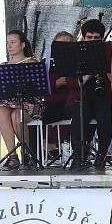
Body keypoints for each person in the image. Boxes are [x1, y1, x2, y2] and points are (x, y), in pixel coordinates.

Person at [0, 30, 42, 171]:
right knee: (1, 110)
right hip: (10, 105)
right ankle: (13, 157)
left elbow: (39, 90)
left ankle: (27, 155)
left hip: (29, 104)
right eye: (8, 43)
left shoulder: (32, 62)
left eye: (13, 42)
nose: (9, 46)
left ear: (22, 44)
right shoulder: (3, 67)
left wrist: (34, 67)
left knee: (16, 115)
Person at [62, 19, 112, 169]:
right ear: (83, 37)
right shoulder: (75, 52)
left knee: (106, 120)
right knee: (79, 119)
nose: (92, 41)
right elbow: (71, 82)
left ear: (102, 38)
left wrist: (103, 66)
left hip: (103, 95)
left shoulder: (107, 50)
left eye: (96, 38)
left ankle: (102, 156)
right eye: (89, 38)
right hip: (82, 96)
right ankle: (79, 157)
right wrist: (88, 75)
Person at [43, 31, 74, 160]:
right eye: (60, 44)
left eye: (67, 44)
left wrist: (63, 81)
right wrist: (60, 82)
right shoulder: (47, 63)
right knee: (46, 112)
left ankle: (71, 149)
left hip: (71, 100)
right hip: (52, 101)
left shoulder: (76, 61)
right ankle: (49, 148)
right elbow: (45, 86)